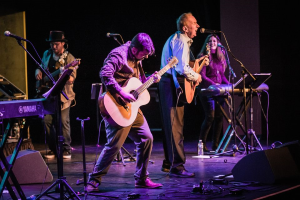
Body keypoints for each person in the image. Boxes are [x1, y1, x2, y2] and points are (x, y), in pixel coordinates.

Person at [87, 33, 163, 192]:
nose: (146, 57)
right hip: (115, 104)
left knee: (146, 138)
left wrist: (151, 79)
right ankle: (93, 180)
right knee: (114, 145)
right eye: (144, 54)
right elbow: (105, 74)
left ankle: (141, 178)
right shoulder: (118, 55)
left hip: (131, 106)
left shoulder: (137, 59)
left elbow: (138, 82)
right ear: (135, 50)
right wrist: (122, 93)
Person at [158, 12, 209, 177]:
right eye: (194, 23)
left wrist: (197, 65)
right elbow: (181, 69)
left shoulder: (180, 40)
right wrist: (197, 76)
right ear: (185, 28)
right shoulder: (181, 40)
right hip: (170, 85)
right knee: (175, 127)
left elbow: (183, 65)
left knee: (171, 126)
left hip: (169, 85)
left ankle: (169, 163)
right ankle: (177, 167)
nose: (198, 25)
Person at [35, 30, 78, 159]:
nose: (54, 47)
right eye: (52, 44)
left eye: (56, 44)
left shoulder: (70, 58)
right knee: (47, 121)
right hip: (48, 94)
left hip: (63, 95)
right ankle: (53, 149)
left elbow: (72, 78)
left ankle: (66, 149)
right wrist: (37, 71)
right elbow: (40, 67)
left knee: (63, 122)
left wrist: (67, 76)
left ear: (63, 44)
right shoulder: (47, 54)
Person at [196, 34, 229, 152]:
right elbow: (202, 76)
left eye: (214, 41)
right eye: (210, 41)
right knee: (210, 117)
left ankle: (216, 145)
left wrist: (229, 85)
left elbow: (222, 76)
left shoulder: (221, 57)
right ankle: (202, 144)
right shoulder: (203, 56)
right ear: (207, 44)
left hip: (219, 91)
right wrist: (214, 84)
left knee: (219, 117)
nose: (212, 43)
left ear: (218, 43)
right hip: (207, 90)